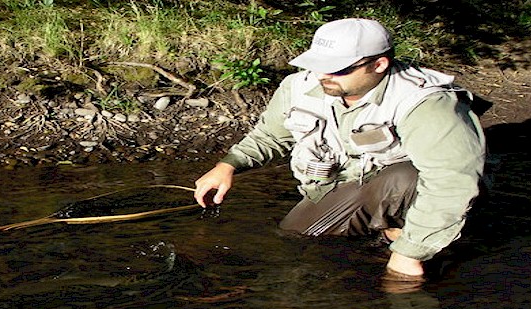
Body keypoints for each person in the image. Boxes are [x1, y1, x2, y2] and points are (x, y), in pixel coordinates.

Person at [193, 18, 486, 281]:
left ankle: (415, 235)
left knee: (406, 180)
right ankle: (383, 231)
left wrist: (409, 253)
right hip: (342, 186)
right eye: (318, 64)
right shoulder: (299, 86)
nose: (323, 76)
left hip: (406, 184)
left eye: (337, 69)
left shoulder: (424, 103)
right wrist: (228, 165)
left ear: (379, 65)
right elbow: (271, 136)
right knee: (296, 242)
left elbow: (452, 181)